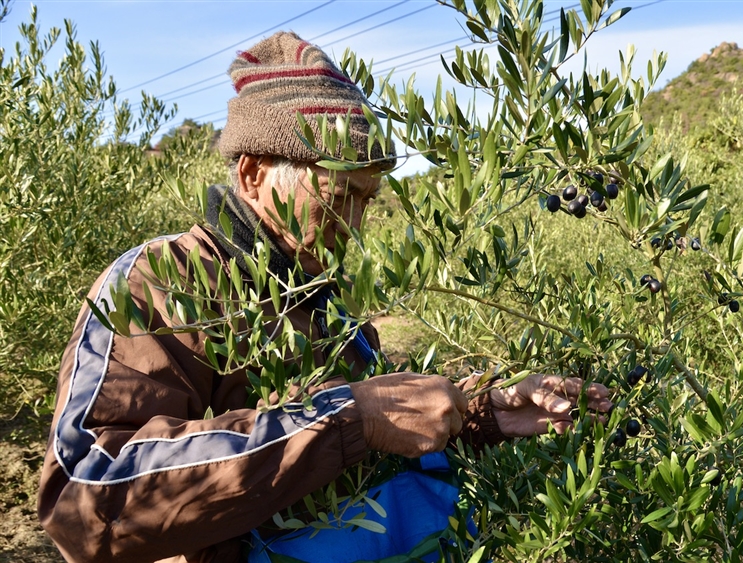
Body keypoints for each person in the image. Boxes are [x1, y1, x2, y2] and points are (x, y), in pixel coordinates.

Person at [37, 31, 611, 563]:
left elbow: (374, 438)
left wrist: (486, 416)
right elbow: (84, 498)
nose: (355, 224)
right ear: (254, 173)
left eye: (367, 198)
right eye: (339, 192)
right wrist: (347, 418)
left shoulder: (322, 298)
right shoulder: (164, 283)